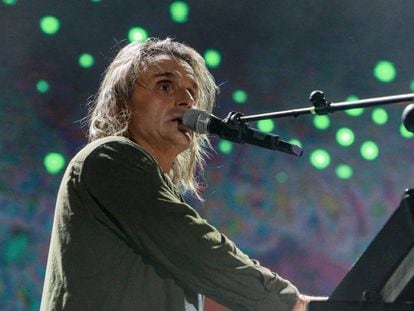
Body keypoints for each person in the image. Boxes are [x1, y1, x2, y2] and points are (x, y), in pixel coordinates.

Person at [41, 38, 323, 310]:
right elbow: (199, 248)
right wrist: (291, 304)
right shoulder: (109, 158)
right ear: (120, 104)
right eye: (165, 86)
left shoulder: (156, 187)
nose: (186, 100)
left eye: (192, 92)